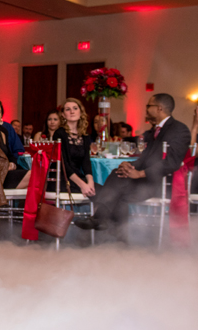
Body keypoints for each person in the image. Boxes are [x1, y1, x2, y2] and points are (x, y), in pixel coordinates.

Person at [75, 94, 191, 238]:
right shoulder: (155, 130)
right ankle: (119, 238)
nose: (146, 109)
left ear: (159, 108)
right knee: (118, 174)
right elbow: (144, 159)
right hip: (144, 181)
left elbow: (171, 162)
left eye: (148, 106)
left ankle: (101, 219)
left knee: (115, 190)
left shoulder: (179, 129)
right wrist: (129, 166)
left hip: (160, 183)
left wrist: (141, 173)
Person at [51, 98, 95, 197]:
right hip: (63, 179)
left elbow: (86, 162)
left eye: (75, 108)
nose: (72, 111)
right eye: (68, 109)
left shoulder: (85, 135)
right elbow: (63, 164)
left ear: (80, 112)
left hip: (78, 178)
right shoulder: (59, 134)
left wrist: (90, 182)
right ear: (63, 114)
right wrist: (82, 185)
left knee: (105, 193)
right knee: (102, 196)